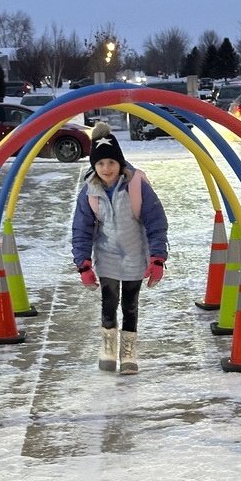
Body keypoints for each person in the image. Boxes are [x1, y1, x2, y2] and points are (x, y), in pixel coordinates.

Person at [72, 121, 168, 374]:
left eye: (111, 163)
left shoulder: (137, 186)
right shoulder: (89, 193)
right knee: (108, 303)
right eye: (101, 163)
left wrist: (158, 258)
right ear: (94, 165)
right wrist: (83, 263)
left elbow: (157, 222)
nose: (106, 168)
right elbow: (81, 229)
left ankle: (128, 353)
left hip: (135, 255)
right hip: (107, 257)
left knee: (130, 305)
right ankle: (108, 347)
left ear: (120, 163)